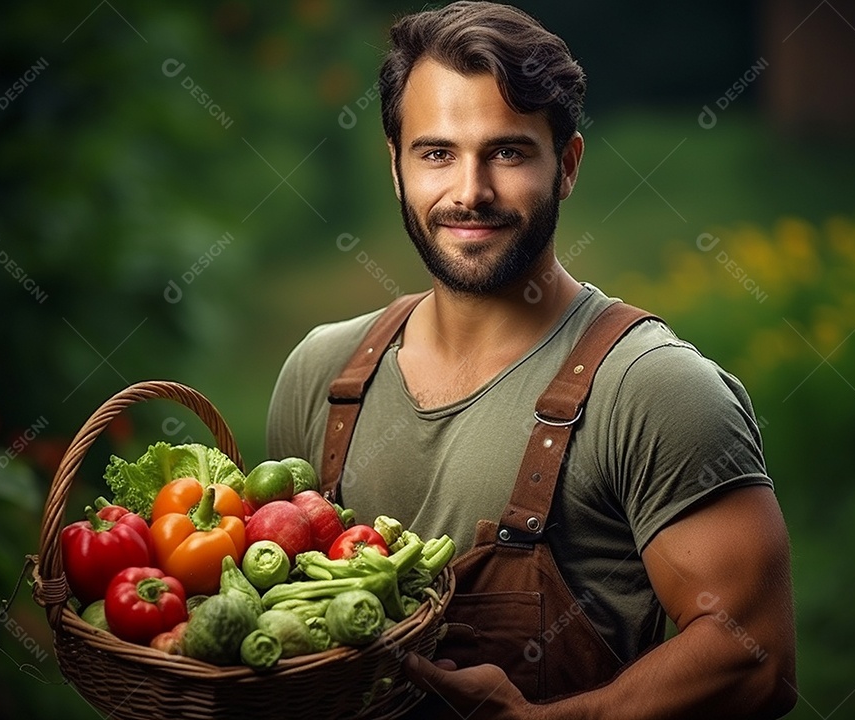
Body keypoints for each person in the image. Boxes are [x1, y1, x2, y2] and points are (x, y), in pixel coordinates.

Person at [266, 2, 797, 717]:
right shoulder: (321, 374)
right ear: (395, 166)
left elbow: (755, 659)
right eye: (437, 153)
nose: (470, 192)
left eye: (507, 152)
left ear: (566, 166)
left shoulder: (654, 389)